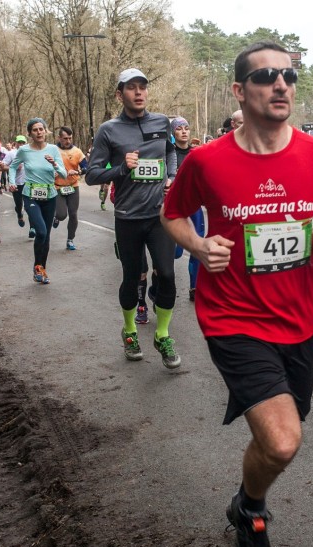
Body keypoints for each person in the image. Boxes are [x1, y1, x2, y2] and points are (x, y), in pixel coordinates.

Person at [162, 41, 313, 547]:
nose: (282, 84)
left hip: (300, 318)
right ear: (240, 90)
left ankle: (245, 501)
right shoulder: (206, 160)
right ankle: (255, 515)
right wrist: (198, 244)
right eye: (266, 77)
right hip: (232, 316)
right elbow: (174, 214)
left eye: (289, 75)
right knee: (282, 441)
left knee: (289, 424)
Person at [85, 68, 181, 368]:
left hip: (158, 215)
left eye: (143, 87)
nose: (138, 92)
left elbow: (170, 151)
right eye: (131, 88)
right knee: (131, 278)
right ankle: (129, 331)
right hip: (127, 218)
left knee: (166, 274)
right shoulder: (108, 130)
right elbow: (91, 175)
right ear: (119, 94)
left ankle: (162, 334)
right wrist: (122, 169)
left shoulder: (161, 122)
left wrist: (171, 175)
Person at [5, 118, 67, 284]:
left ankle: (40, 269)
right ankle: (37, 266)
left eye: (41, 129)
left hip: (50, 195)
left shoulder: (53, 149)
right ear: (30, 133)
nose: (39, 132)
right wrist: (11, 182)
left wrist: (55, 164)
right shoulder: (24, 150)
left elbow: (64, 174)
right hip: (30, 194)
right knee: (41, 232)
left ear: (46, 131)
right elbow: (12, 166)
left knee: (46, 237)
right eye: (35, 130)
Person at [170, 116, 202, 301]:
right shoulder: (169, 153)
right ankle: (164, 280)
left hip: (195, 207)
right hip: (176, 208)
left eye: (187, 128)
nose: (184, 131)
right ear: (173, 132)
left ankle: (194, 287)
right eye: (179, 128)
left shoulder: (196, 153)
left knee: (196, 248)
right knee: (176, 252)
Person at [53, 126, 88, 251]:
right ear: (59, 138)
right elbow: (45, 167)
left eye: (70, 138)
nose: (68, 141)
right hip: (57, 187)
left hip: (73, 187)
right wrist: (52, 172)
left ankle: (70, 239)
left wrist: (77, 171)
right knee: (62, 215)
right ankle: (57, 217)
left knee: (73, 214)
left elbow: (86, 168)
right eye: (65, 138)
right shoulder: (53, 150)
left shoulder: (77, 152)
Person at [1, 135, 34, 237]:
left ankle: (32, 228)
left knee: (31, 206)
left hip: (29, 183)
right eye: (19, 142)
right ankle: (19, 214)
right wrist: (13, 167)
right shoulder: (11, 153)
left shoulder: (30, 153)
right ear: (16, 143)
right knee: (19, 204)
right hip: (16, 184)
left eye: (23, 143)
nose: (21, 145)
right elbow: (2, 167)